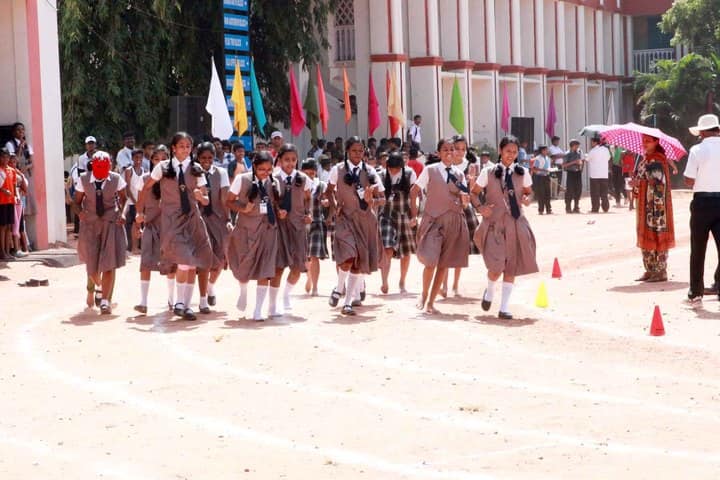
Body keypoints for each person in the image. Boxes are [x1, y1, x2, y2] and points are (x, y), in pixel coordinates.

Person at [135, 132, 213, 320]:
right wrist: (139, 211)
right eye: (181, 146)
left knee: (191, 261)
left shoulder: (196, 169)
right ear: (173, 148)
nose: (185, 150)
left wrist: (200, 196)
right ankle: (179, 302)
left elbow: (205, 199)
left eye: (188, 146)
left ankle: (185, 306)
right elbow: (146, 188)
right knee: (184, 259)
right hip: (171, 220)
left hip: (191, 219)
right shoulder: (162, 168)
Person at [472, 136, 538, 319]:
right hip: (495, 225)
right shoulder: (488, 172)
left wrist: (527, 199)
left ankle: (504, 307)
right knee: (496, 266)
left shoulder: (523, 173)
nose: (511, 155)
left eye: (514, 152)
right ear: (500, 151)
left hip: (516, 224)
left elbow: (528, 193)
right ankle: (490, 290)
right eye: (508, 151)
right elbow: (474, 193)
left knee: (511, 266)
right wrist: (480, 208)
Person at [325, 136, 385, 316]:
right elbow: (329, 190)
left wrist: (371, 200)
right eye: (354, 151)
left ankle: (348, 301)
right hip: (345, 218)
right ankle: (339, 286)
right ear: (347, 151)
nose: (358, 154)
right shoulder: (338, 169)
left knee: (359, 261)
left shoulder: (371, 172)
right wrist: (334, 207)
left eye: (361, 151)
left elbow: (383, 198)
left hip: (365, 220)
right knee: (348, 257)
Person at [410, 138, 470, 314]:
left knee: (443, 264)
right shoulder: (430, 170)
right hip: (433, 221)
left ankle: (431, 302)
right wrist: (414, 215)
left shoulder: (459, 175)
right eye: (445, 150)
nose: (450, 153)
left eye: (452, 150)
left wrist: (465, 200)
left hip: (453, 222)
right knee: (430, 262)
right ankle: (424, 293)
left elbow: (465, 203)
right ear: (438, 152)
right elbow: (414, 191)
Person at [225, 151, 281, 321]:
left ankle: (258, 309)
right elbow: (229, 200)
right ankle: (243, 291)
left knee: (265, 268)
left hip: (268, 230)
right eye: (262, 169)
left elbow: (276, 204)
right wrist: (243, 209)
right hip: (246, 230)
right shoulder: (242, 180)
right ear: (255, 167)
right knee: (244, 266)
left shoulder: (275, 183)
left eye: (269, 169)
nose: (265, 172)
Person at [74, 151, 128, 314]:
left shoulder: (117, 179)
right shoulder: (83, 180)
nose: (102, 169)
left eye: (105, 166)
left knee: (109, 262)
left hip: (110, 223)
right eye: (99, 166)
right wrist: (80, 213)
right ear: (93, 165)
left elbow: (124, 199)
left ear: (110, 166)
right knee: (92, 263)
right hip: (90, 225)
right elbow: (76, 203)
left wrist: (122, 213)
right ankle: (94, 288)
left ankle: (105, 301)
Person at [269, 144, 312, 314]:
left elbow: (308, 197)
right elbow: (269, 200)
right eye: (287, 160)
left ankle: (286, 295)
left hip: (298, 227)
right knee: (278, 267)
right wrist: (277, 211)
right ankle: (273, 303)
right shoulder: (273, 178)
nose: (290, 163)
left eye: (293, 160)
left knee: (297, 267)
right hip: (279, 228)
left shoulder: (302, 178)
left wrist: (308, 213)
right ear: (279, 160)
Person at [133, 146, 176, 314]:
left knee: (171, 264)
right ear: (151, 161)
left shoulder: (173, 178)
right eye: (156, 159)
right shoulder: (144, 179)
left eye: (164, 159)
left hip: (169, 226)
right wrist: (138, 217)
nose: (160, 162)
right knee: (146, 263)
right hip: (150, 225)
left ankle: (172, 299)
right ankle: (143, 301)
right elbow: (139, 200)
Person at [631, 134, 676, 283]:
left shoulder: (657, 159)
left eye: (648, 141)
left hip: (657, 207)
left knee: (658, 235)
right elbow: (643, 178)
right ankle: (650, 270)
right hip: (645, 206)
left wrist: (639, 183)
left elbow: (657, 184)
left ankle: (661, 271)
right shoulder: (645, 159)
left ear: (656, 142)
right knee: (645, 233)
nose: (645, 144)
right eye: (643, 141)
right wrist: (636, 182)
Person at [684, 114, 720, 300]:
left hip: (702, 202)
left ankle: (696, 292)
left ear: (703, 132)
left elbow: (689, 180)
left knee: (698, 248)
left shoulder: (697, 149)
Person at [195, 142, 231, 313]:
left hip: (218, 219)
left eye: (210, 157)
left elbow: (224, 198)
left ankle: (210, 286)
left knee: (220, 260)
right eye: (203, 158)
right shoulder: (192, 173)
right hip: (199, 220)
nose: (206, 161)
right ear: (198, 158)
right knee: (203, 260)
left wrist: (229, 219)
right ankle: (202, 300)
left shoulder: (221, 173)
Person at [445, 134, 481, 297]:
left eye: (463, 149)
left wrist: (471, 182)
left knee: (461, 249)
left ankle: (455, 285)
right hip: (446, 208)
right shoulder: (444, 164)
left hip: (464, 209)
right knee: (444, 248)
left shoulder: (470, 166)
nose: (460, 152)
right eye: (457, 148)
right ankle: (443, 285)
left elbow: (472, 191)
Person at [379, 151, 417, 294]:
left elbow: (414, 198)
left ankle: (402, 281)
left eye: (396, 168)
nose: (393, 170)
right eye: (391, 168)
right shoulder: (381, 175)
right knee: (387, 248)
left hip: (404, 215)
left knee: (406, 252)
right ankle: (384, 281)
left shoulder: (409, 174)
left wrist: (414, 216)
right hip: (386, 215)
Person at [302, 159, 329, 296]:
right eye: (307, 170)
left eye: (312, 170)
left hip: (317, 222)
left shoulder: (321, 185)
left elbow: (327, 198)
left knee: (314, 256)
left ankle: (315, 287)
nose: (310, 173)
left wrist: (325, 201)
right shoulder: (299, 185)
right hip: (302, 224)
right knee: (306, 256)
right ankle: (309, 278)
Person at [123, 149, 146, 252]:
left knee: (141, 224)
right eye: (136, 158)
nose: (138, 160)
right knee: (129, 224)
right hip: (131, 202)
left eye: (140, 158)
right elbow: (127, 188)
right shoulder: (129, 170)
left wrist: (141, 201)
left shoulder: (144, 171)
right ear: (132, 158)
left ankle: (140, 247)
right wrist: (135, 201)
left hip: (141, 202)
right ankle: (130, 247)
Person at [0, 149, 17, 260]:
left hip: (10, 201)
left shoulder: (12, 170)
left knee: (8, 227)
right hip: (1, 202)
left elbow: (14, 186)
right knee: (2, 227)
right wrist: (3, 190)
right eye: (3, 157)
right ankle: (2, 252)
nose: (5, 159)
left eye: (7, 157)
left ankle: (7, 251)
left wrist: (15, 197)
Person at [586, 137, 611, 213]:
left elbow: (587, 159)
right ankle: (605, 208)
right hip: (604, 174)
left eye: (592, 142)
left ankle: (595, 208)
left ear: (595, 142)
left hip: (595, 175)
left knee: (595, 193)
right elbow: (608, 158)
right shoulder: (606, 150)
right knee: (604, 192)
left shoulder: (592, 151)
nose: (591, 143)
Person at [562, 139, 584, 213]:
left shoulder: (578, 153)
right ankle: (568, 207)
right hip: (570, 173)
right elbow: (564, 165)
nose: (577, 147)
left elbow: (581, 161)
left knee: (578, 190)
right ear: (573, 146)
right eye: (576, 145)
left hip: (577, 172)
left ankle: (576, 206)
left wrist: (580, 164)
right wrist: (574, 162)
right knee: (570, 190)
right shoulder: (567, 154)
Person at [531, 145, 552, 214]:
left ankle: (548, 209)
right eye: (546, 150)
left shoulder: (548, 158)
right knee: (541, 194)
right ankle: (541, 209)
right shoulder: (538, 158)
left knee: (547, 193)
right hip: (540, 177)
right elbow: (534, 168)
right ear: (542, 151)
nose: (547, 151)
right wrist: (543, 170)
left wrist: (549, 170)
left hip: (546, 176)